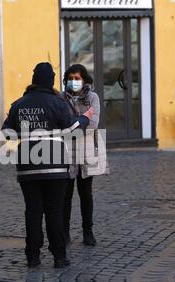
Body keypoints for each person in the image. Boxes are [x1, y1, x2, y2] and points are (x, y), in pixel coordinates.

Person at [1, 62, 93, 268]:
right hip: (55, 168)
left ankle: (32, 256)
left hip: (27, 167)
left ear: (34, 80)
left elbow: (6, 132)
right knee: (54, 211)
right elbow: (74, 131)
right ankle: (59, 257)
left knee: (32, 211)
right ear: (51, 81)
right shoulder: (59, 103)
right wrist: (83, 120)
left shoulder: (19, 104)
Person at [61, 64, 102, 247]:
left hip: (86, 151)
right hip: (66, 152)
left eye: (77, 78)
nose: (74, 81)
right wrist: (78, 123)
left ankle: (88, 231)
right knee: (65, 194)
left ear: (84, 79)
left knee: (85, 193)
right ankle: (64, 232)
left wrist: (71, 126)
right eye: (71, 78)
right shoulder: (61, 98)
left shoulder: (92, 98)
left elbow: (92, 124)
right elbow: (60, 124)